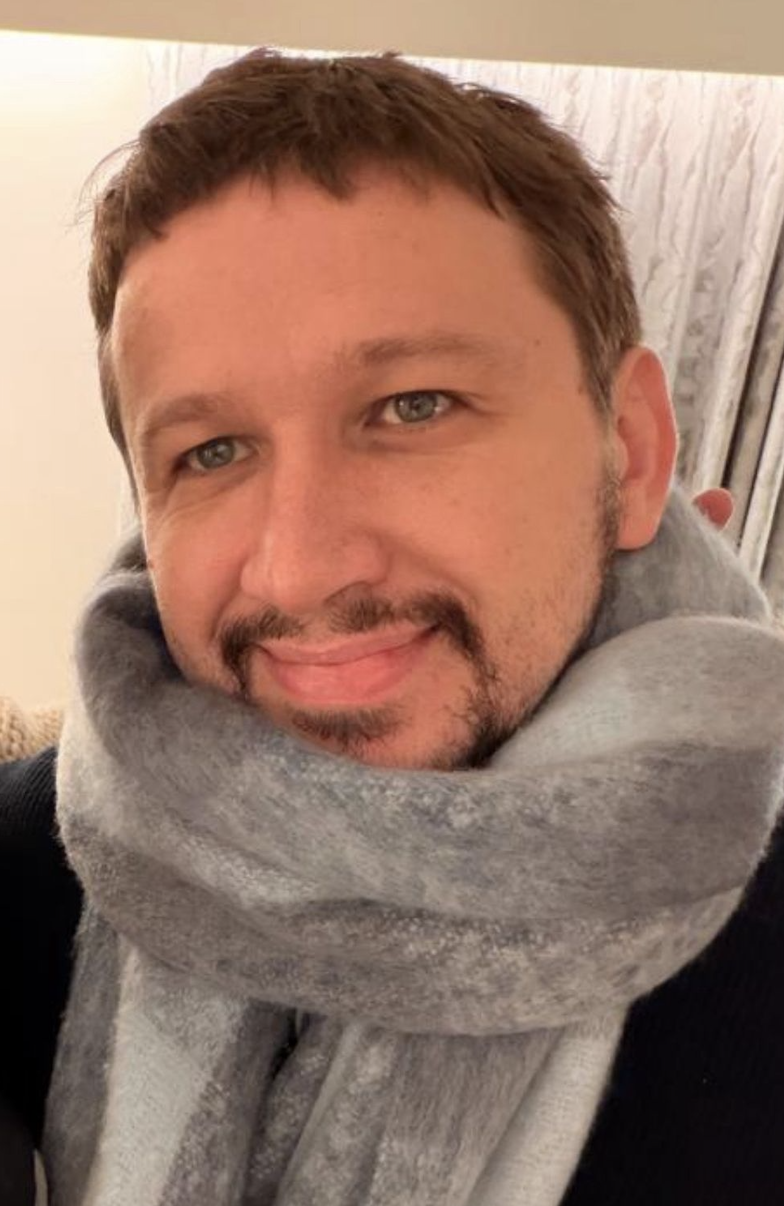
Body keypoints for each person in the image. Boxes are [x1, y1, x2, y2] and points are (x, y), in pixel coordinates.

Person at [2, 49, 784, 1206]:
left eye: (412, 406)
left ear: (630, 451)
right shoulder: (22, 876)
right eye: (211, 452)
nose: (300, 564)